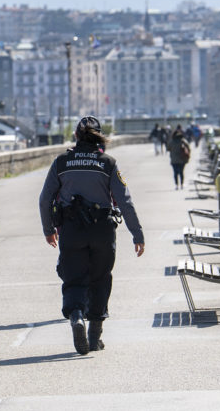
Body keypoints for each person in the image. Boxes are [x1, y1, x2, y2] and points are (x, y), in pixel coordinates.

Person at [38, 116, 145, 355]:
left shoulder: (62, 162)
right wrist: (137, 234)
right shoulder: (107, 162)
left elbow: (45, 199)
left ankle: (76, 316)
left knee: (74, 278)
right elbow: (125, 202)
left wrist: (48, 230)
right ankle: (94, 337)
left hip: (71, 229)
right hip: (102, 230)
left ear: (75, 136)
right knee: (100, 278)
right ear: (99, 137)